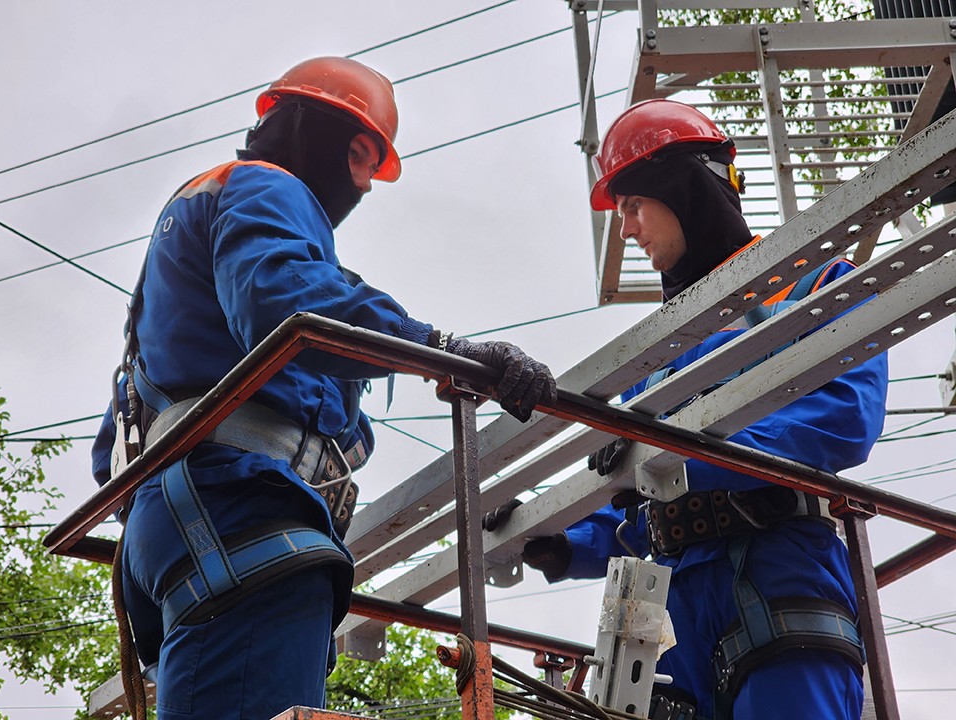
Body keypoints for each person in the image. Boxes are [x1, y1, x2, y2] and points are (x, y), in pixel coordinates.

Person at [91, 56, 556, 720]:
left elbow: (114, 445)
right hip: (239, 511)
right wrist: (438, 351)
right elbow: (284, 299)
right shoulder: (267, 189)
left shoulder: (184, 238)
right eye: (368, 167)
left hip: (173, 523)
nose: (363, 188)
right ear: (356, 146)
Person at [511, 99, 888, 720]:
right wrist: (563, 540)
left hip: (777, 571)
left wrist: (675, 454)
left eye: (633, 206)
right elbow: (644, 504)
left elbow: (842, 418)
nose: (627, 229)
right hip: (677, 610)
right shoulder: (654, 360)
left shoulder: (812, 284)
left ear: (682, 189)